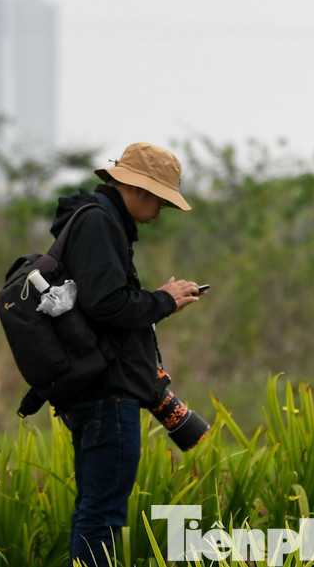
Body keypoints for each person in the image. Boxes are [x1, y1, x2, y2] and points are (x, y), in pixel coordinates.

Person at [49, 142, 204, 567]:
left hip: (92, 389)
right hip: (107, 395)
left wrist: (157, 302)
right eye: (161, 203)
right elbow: (106, 304)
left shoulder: (92, 222)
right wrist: (163, 300)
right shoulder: (100, 225)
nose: (159, 214)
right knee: (103, 514)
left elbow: (102, 308)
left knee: (95, 510)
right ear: (140, 190)